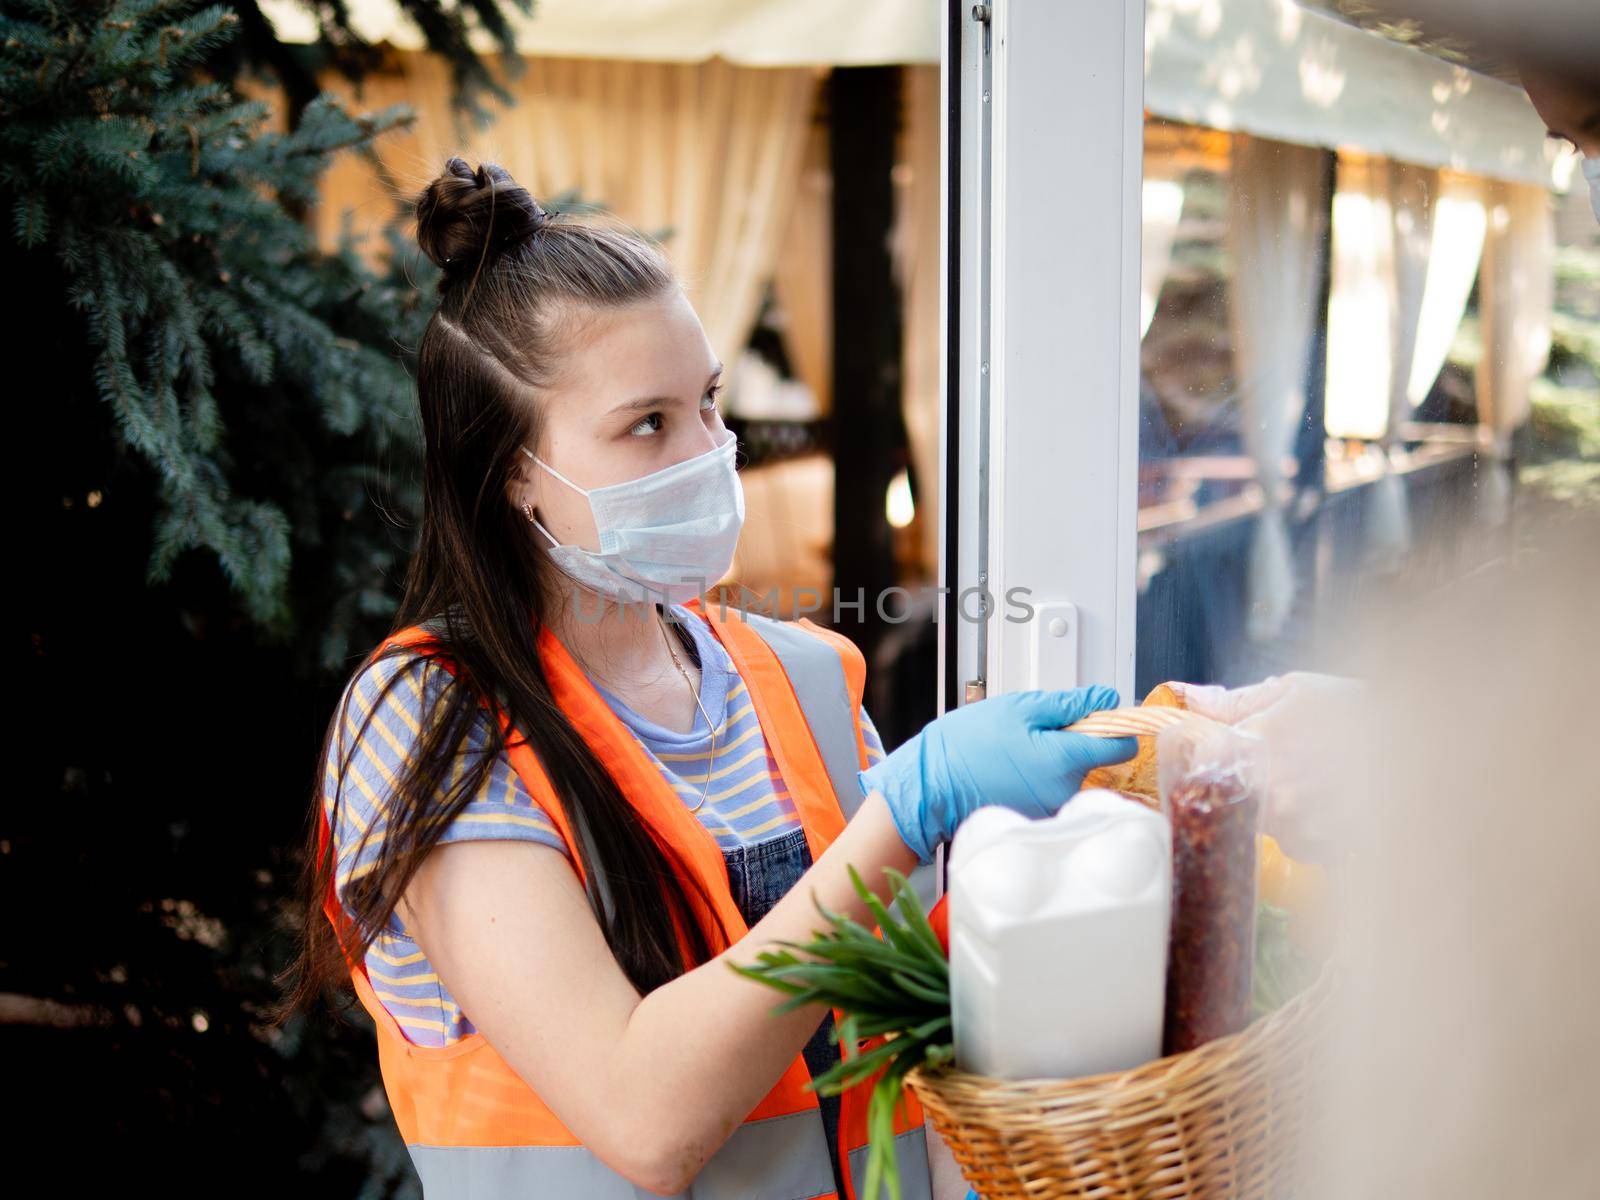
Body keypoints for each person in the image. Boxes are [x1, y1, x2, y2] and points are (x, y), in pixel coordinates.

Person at [278, 157, 1137, 1200]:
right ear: (510, 469)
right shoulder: (427, 724)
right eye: (648, 424)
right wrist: (902, 817)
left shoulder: (803, 675)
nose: (709, 453)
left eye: (709, 404)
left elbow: (907, 1018)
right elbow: (643, 1119)